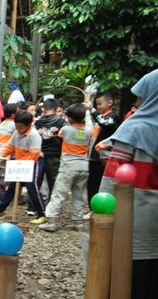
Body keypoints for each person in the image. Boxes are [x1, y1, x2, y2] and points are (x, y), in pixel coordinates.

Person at [99, 69, 158, 299]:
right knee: (152, 282)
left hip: (132, 220)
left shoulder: (134, 129)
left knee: (127, 279)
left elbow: (113, 179)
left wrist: (99, 211)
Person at [0, 111, 47, 223]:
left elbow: (34, 155)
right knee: (12, 187)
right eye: (16, 126)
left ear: (28, 125)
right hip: (20, 162)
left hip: (34, 163)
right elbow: (10, 147)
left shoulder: (34, 135)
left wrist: (18, 164)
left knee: (32, 187)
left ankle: (42, 214)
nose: (18, 129)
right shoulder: (16, 132)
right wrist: (1, 156)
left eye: (20, 127)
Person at [39, 103, 93, 232]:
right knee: (79, 195)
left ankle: (52, 221)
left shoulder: (66, 130)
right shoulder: (88, 131)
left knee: (59, 194)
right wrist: (87, 110)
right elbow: (89, 123)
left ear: (69, 118)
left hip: (68, 167)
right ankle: (78, 222)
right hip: (84, 167)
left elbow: (59, 135)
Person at [87, 91, 119, 201]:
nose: (98, 107)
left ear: (110, 103)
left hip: (104, 155)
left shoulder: (112, 117)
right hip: (94, 155)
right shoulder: (99, 117)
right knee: (92, 183)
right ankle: (92, 208)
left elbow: (105, 123)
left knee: (101, 182)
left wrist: (92, 109)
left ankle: (102, 205)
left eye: (100, 104)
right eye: (97, 105)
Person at [34, 98, 67, 199]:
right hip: (55, 155)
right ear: (56, 108)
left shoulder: (37, 122)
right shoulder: (61, 122)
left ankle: (33, 206)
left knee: (36, 181)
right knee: (53, 181)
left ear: (43, 108)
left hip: (39, 154)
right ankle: (52, 206)